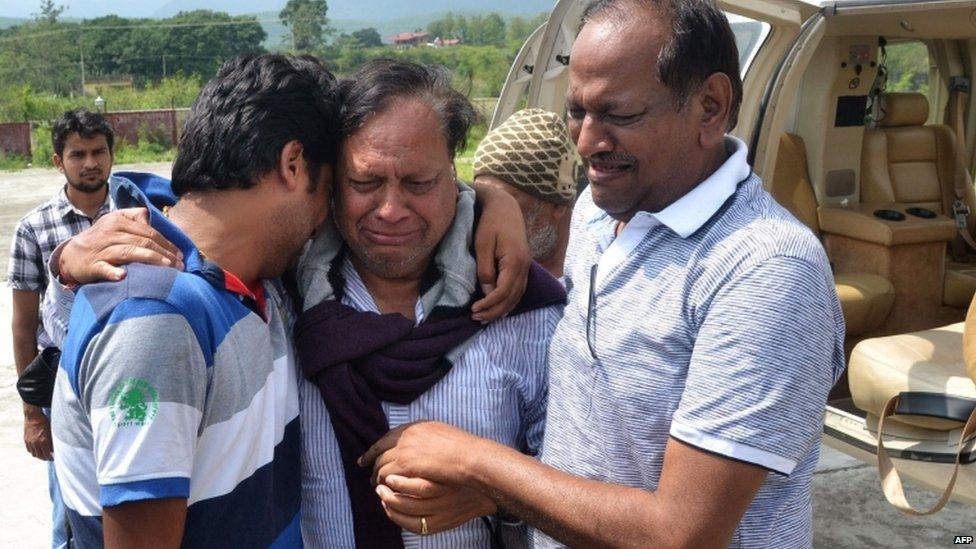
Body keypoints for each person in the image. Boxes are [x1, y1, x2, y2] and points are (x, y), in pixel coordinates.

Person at [362, 1, 846, 547]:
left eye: (619, 115)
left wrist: (477, 464)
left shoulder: (765, 273)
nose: (587, 142)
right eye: (577, 111)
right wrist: (491, 197)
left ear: (710, 107)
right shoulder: (601, 213)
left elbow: (679, 534)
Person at [50, 53, 339, 548]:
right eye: (327, 192)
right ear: (293, 165)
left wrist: (494, 201)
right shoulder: (155, 321)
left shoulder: (256, 280)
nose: (325, 219)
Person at [294, 60, 566, 547]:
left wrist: (495, 493)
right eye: (365, 183)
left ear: (454, 176)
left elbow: (578, 476)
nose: (392, 210)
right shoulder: (284, 297)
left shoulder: (526, 309)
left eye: (418, 184)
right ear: (333, 178)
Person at [7, 108, 117, 549]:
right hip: (62, 387)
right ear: (58, 161)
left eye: (98, 152)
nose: (90, 162)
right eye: (77, 154)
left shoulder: (136, 213)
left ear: (112, 154)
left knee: (133, 495)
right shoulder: (34, 229)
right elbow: (23, 324)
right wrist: (33, 413)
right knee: (69, 510)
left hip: (128, 377)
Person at [473, 108, 576, 278]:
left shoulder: (590, 277)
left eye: (502, 202)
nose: (485, 217)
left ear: (559, 206)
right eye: (482, 199)